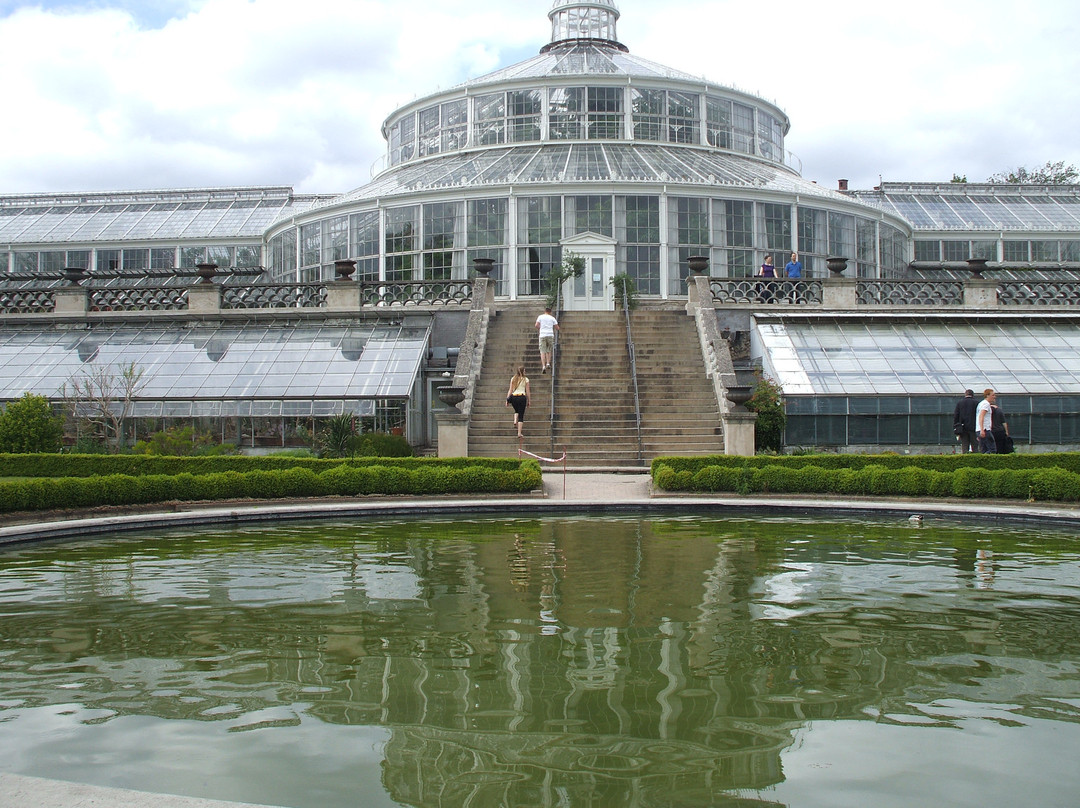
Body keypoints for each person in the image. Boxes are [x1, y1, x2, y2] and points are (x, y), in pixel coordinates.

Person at [505, 365, 530, 439]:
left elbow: (510, 390)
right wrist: (529, 400)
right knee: (521, 415)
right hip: (521, 397)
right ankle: (519, 433)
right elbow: (528, 391)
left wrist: (507, 399)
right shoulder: (526, 379)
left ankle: (515, 420)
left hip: (513, 397)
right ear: (523, 371)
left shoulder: (513, 379)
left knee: (516, 410)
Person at [952, 388, 978, 453]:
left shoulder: (960, 403)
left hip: (963, 427)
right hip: (974, 427)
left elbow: (956, 415)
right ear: (973, 395)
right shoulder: (977, 403)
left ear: (965, 394)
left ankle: (965, 459)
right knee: (975, 445)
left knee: (965, 445)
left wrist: (956, 426)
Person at [535, 306, 559, 372]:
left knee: (542, 351)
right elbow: (557, 327)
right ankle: (548, 363)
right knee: (549, 350)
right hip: (550, 335)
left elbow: (536, 325)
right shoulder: (552, 318)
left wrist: (541, 328)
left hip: (542, 335)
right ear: (550, 312)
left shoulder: (540, 317)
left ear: (545, 311)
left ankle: (543, 366)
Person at [976, 388, 997, 454]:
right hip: (985, 429)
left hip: (979, 429)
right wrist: (982, 430)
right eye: (993, 395)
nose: (994, 397)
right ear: (987, 395)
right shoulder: (986, 404)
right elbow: (981, 416)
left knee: (984, 449)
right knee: (992, 449)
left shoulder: (982, 403)